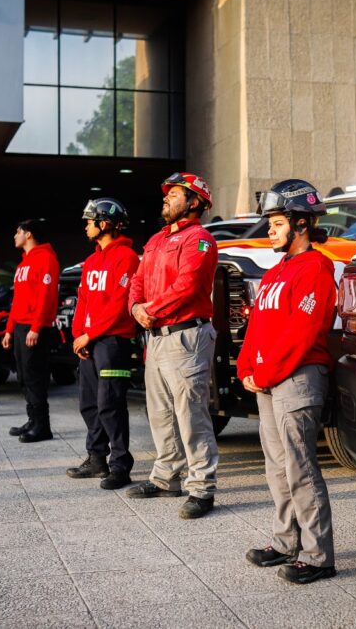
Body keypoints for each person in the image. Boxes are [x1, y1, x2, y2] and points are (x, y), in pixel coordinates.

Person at [237, 179, 338, 584]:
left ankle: (318, 556)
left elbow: (303, 332)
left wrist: (264, 372)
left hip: (299, 378)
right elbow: (258, 325)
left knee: (300, 468)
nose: (271, 230)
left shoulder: (316, 268)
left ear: (301, 223)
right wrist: (246, 366)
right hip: (269, 379)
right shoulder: (276, 271)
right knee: (277, 468)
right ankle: (285, 542)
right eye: (271, 223)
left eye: (277, 223)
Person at [126, 172, 220, 519]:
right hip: (156, 336)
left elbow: (187, 285)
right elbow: (137, 281)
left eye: (175, 194)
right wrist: (136, 308)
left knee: (191, 414)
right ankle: (166, 478)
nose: (166, 198)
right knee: (161, 412)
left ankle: (202, 488)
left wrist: (149, 310)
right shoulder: (155, 240)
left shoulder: (200, 240)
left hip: (185, 336)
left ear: (195, 202)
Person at [65, 199, 139, 490]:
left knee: (111, 405)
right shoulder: (92, 261)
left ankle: (120, 465)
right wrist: (79, 334)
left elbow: (120, 304)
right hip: (90, 341)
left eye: (89, 221)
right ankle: (96, 459)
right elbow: (82, 299)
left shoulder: (127, 257)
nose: (86, 226)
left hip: (113, 343)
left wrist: (90, 334)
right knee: (89, 403)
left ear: (104, 223)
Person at [2, 219, 60, 443]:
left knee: (35, 376)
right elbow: (17, 300)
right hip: (20, 327)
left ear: (28, 234)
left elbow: (47, 296)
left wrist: (36, 327)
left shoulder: (46, 258)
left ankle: (43, 426)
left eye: (18, 231)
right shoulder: (23, 264)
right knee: (23, 376)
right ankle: (32, 420)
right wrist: (9, 330)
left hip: (35, 328)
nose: (14, 236)